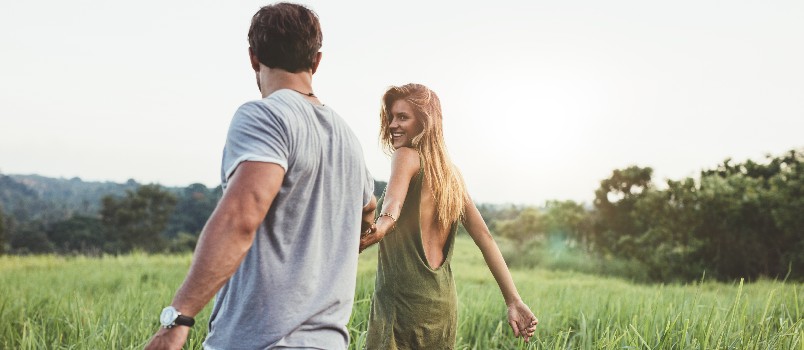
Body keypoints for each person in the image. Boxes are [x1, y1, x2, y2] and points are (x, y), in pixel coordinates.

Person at [145, 3, 376, 349]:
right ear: (316, 61)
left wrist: (177, 319)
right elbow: (367, 210)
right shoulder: (348, 139)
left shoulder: (265, 116)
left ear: (253, 58)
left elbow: (241, 217)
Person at [358, 83, 538, 349]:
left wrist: (375, 231)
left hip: (402, 306)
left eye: (403, 117)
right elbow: (485, 237)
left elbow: (391, 208)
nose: (393, 124)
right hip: (441, 308)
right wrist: (513, 300)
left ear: (424, 123)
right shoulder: (451, 175)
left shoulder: (405, 156)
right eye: (392, 116)